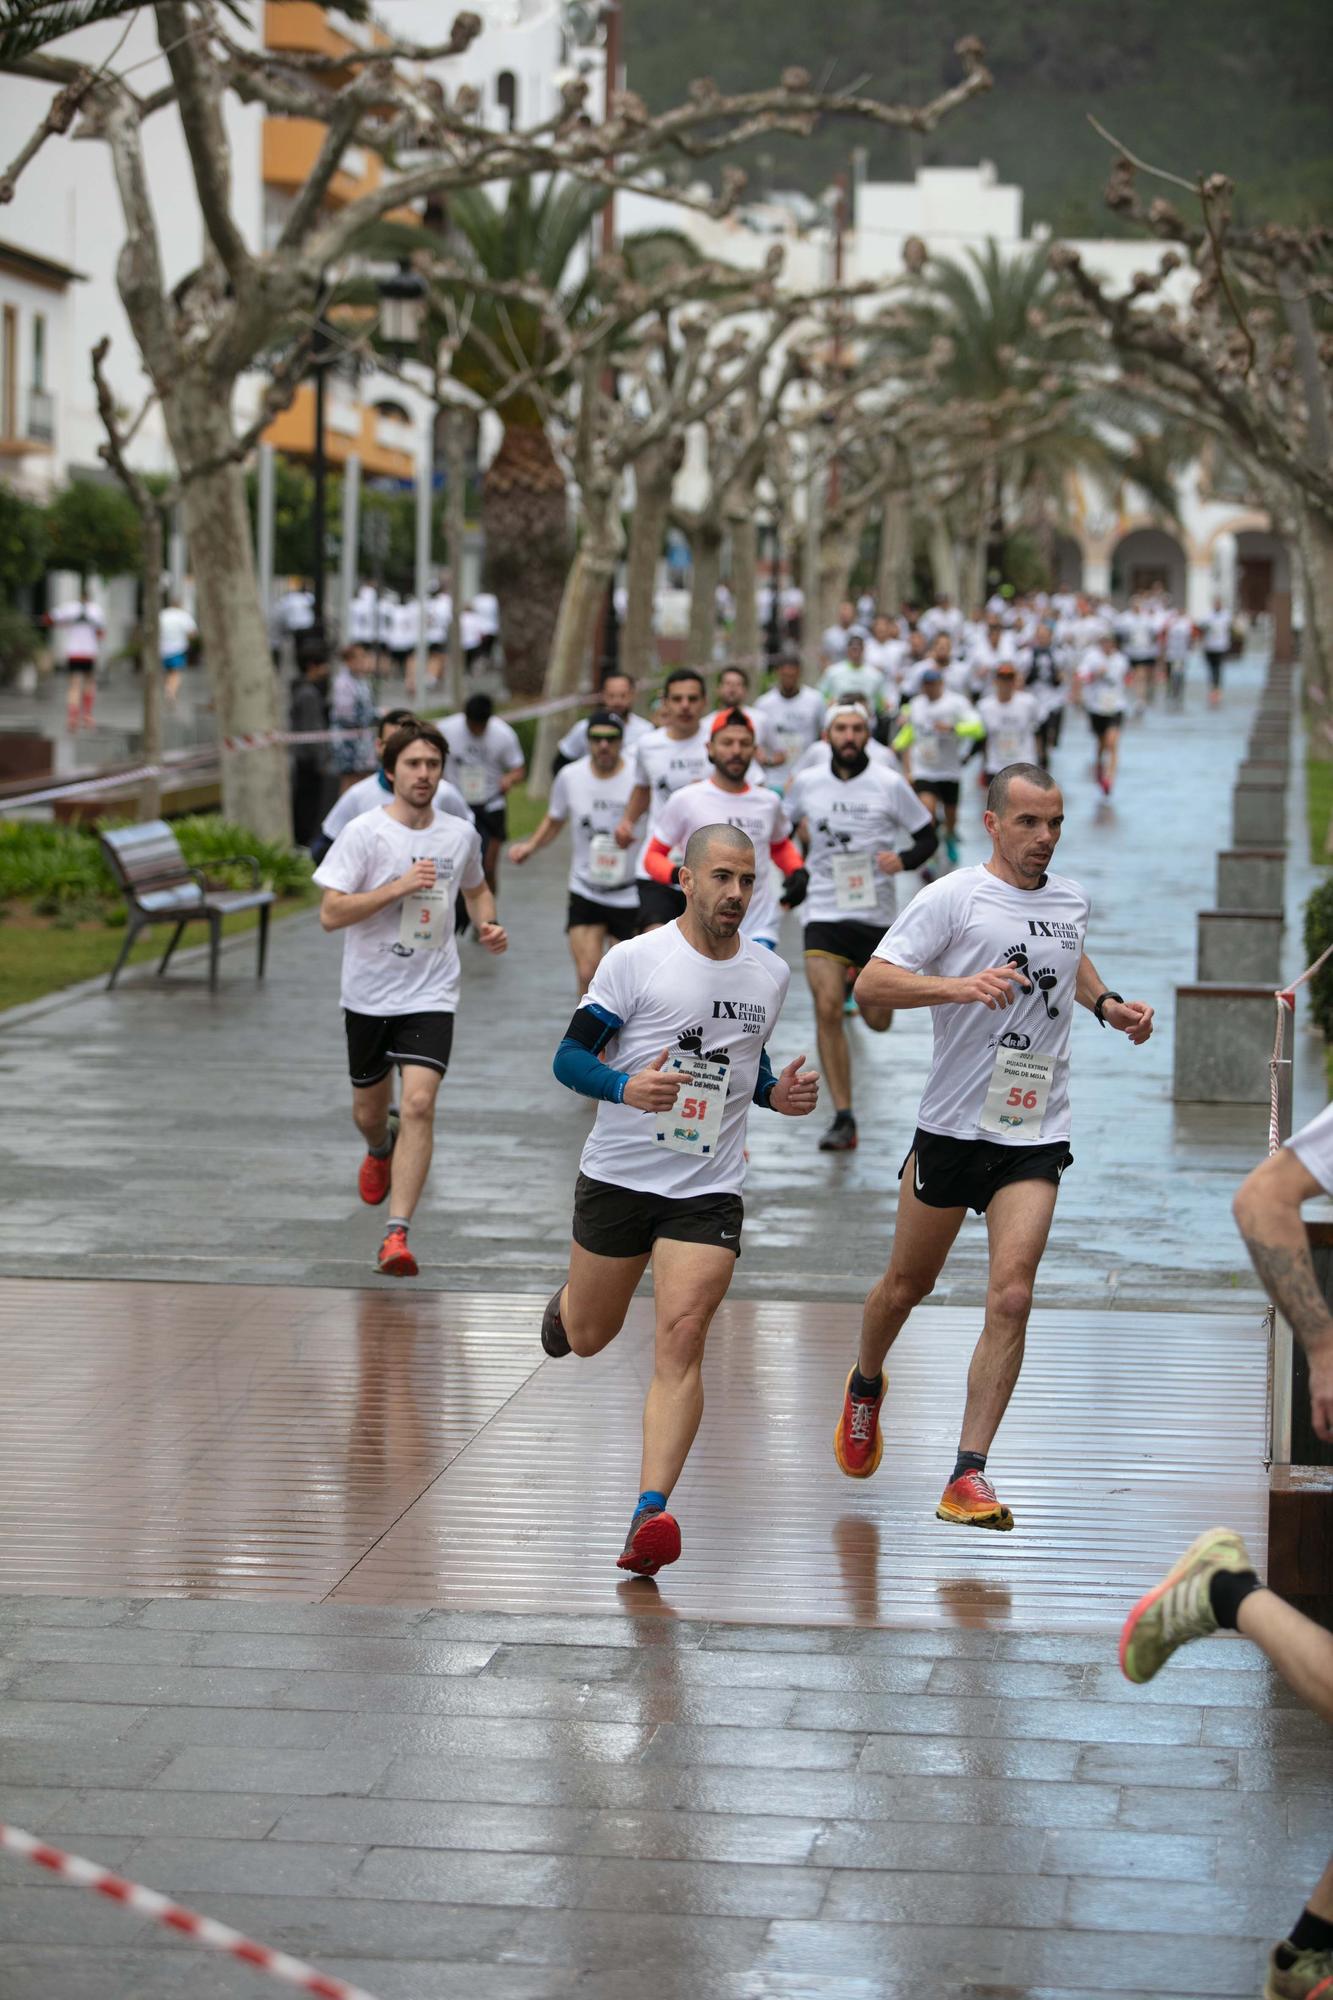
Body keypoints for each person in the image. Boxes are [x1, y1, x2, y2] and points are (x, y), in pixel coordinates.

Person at [832, 764, 1154, 1525]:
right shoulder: (951, 897)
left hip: (1033, 1129)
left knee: (1011, 1293)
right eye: (1028, 823)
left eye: (1053, 824)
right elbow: (871, 987)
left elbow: (1064, 957)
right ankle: (865, 1381)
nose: (1042, 838)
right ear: (991, 822)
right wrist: (957, 986)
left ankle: (966, 1473)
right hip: (951, 1127)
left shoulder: (1070, 899)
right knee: (904, 1286)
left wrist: (1107, 1004)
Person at [541, 823, 820, 1574]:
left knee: (683, 1335)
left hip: (706, 1187)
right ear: (685, 880)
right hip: (619, 1177)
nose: (735, 894)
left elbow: (744, 1067)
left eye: (746, 881)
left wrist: (775, 1094)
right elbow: (569, 1058)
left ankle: (649, 1514)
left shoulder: (768, 973)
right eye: (721, 878)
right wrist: (625, 1085)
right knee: (592, 1333)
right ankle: (569, 1304)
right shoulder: (635, 960)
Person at [313, 722, 507, 1277]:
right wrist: (398, 886)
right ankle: (379, 1146)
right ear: (391, 770)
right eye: (413, 765)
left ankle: (396, 1234)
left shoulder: (459, 834)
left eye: (432, 765)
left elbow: (476, 887)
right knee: (369, 1112)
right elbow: (330, 914)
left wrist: (488, 924)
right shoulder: (364, 833)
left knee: (420, 1103)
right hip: (370, 993)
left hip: (432, 989)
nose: (424, 775)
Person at [787, 704, 937, 1153]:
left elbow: (927, 835)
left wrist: (904, 861)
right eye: (840, 729)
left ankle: (859, 977)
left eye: (856, 729)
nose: (849, 736)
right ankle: (843, 1117)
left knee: (878, 1019)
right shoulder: (808, 783)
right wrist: (796, 860)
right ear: (827, 735)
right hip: (824, 912)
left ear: (867, 734)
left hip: (876, 917)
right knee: (828, 1008)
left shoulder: (890, 784)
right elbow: (780, 830)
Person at [645, 709, 808, 952]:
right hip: (703, 926)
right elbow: (652, 856)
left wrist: (796, 871)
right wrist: (677, 876)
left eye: (744, 744)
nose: (736, 751)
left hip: (758, 926)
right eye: (727, 743)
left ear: (755, 751)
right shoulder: (686, 799)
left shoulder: (768, 801)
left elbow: (780, 845)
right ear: (710, 748)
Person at [508, 710, 642, 990]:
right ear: (587, 742)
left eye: (611, 739)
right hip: (586, 888)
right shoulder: (570, 776)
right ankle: (588, 1035)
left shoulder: (638, 776)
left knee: (626, 982)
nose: (603, 745)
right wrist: (530, 847)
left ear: (621, 741)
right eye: (596, 739)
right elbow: (555, 819)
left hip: (629, 892)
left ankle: (624, 1035)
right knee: (587, 975)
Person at [615, 668, 713, 931]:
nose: (685, 706)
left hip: (708, 867)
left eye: (692, 699)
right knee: (655, 940)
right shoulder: (648, 745)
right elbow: (643, 788)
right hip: (658, 861)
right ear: (665, 702)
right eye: (677, 699)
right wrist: (627, 821)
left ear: (704, 702)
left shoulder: (718, 742)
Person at [312, 709, 470, 863]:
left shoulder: (446, 793)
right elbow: (324, 850)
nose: (423, 774)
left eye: (408, 744)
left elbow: (469, 843)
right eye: (393, 744)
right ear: (380, 747)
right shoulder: (358, 799)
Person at [892, 663, 985, 865]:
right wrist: (895, 746)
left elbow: (978, 728)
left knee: (951, 816)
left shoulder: (956, 703)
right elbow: (910, 733)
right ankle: (931, 850)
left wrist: (953, 728)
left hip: (949, 771)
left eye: (934, 684)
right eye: (926, 684)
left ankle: (950, 835)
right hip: (924, 769)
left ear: (942, 684)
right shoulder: (915, 705)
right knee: (927, 812)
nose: (930, 688)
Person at [440, 692, 526, 894]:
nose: (477, 730)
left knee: (487, 867)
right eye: (472, 726)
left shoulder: (503, 734)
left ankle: (487, 919)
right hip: (457, 804)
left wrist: (509, 780)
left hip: (491, 803)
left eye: (481, 726)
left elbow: (519, 769)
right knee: (454, 865)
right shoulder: (446, 730)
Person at [753, 651, 827, 790]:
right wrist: (768, 761)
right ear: (777, 673)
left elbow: (823, 734)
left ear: (799, 673)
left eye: (792, 676)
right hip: (774, 777)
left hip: (806, 775)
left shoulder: (815, 700)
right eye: (785, 676)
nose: (788, 680)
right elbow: (756, 743)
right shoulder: (763, 704)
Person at [555, 671, 653, 771]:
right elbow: (560, 764)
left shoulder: (646, 731)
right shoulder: (583, 728)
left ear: (633, 695)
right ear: (603, 695)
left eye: (623, 695)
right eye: (611, 695)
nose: (617, 701)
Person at [289, 641, 333, 848]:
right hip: (308, 758)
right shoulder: (308, 694)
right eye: (324, 664)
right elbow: (312, 728)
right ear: (313, 666)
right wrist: (321, 758)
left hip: (305, 756)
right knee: (307, 802)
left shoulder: (304, 690)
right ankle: (303, 841)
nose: (327, 670)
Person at [1077, 628, 1130, 796]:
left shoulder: (1121, 659)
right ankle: (1100, 765)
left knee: (1112, 743)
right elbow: (1081, 676)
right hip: (1097, 708)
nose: (1107, 646)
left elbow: (1127, 677)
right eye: (1104, 643)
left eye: (1110, 643)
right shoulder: (1091, 658)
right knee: (1101, 743)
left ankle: (1109, 778)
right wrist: (1094, 674)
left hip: (1116, 707)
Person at [47, 591, 106, 732]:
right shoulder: (97, 610)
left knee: (74, 685)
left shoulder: (70, 608)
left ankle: (72, 717)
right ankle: (86, 715)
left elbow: (50, 618)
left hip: (73, 652)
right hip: (89, 653)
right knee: (89, 683)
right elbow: (101, 634)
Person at [977, 665, 1042, 786]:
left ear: (1014, 681)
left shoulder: (1029, 702)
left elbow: (1039, 729)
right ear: (995, 681)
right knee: (996, 804)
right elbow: (981, 739)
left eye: (1009, 679)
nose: (1006, 683)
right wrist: (982, 768)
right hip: (996, 766)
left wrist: (1042, 760)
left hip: (1024, 764)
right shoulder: (985, 706)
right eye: (1002, 679)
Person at [330, 642, 379, 792]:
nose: (363, 661)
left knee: (365, 781)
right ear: (349, 661)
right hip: (348, 743)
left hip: (363, 743)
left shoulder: (362, 680)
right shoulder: (343, 683)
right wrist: (376, 714)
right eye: (359, 657)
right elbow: (347, 715)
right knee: (350, 781)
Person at [819, 631, 882, 713]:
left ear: (864, 650)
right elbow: (821, 695)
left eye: (858, 649)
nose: (856, 653)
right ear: (847, 650)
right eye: (853, 649)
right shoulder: (832, 672)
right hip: (839, 716)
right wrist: (828, 702)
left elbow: (880, 704)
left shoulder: (875, 675)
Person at [158, 595, 198, 711]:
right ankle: (171, 692)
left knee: (168, 672)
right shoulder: (183, 616)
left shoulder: (162, 614)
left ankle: (168, 688)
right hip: (177, 648)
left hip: (162, 649)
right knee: (175, 672)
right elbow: (192, 633)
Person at [1201, 596, 1234, 708]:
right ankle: (1212, 688)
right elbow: (1203, 628)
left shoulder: (1226, 615)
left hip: (1221, 646)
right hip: (1209, 646)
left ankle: (1217, 689)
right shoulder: (1208, 616)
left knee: (1218, 669)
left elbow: (1231, 629)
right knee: (1211, 669)